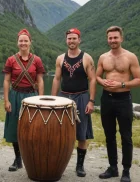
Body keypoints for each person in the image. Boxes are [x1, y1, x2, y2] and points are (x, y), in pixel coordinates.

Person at [96, 26, 140, 182]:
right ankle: (113, 168)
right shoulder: (103, 57)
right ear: (107, 39)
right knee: (109, 135)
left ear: (121, 38)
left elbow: (139, 80)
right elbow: (97, 76)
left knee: (126, 136)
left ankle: (126, 171)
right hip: (106, 99)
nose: (113, 40)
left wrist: (121, 85)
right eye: (110, 38)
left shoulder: (130, 57)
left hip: (123, 99)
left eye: (115, 37)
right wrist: (102, 81)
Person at [51, 28, 96, 177]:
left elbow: (93, 79)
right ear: (66, 40)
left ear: (79, 40)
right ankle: (58, 163)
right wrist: (52, 99)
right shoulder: (60, 58)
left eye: (74, 38)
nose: (71, 41)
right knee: (60, 132)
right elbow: (57, 79)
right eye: (69, 38)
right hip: (64, 98)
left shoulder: (87, 58)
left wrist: (91, 101)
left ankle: (79, 166)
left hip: (81, 97)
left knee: (82, 134)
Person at [3, 29, 45, 171]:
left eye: (25, 40)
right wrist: (6, 100)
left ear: (30, 42)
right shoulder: (11, 60)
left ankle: (32, 158)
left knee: (33, 128)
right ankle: (18, 159)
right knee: (16, 127)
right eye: (21, 40)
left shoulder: (37, 60)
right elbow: (7, 81)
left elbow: (40, 80)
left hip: (32, 97)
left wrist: (40, 99)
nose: (23, 43)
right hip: (15, 96)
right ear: (17, 43)